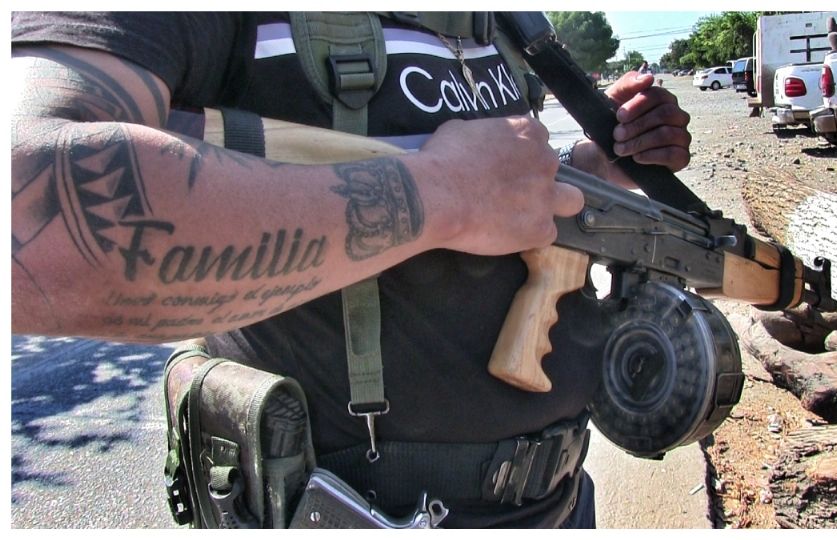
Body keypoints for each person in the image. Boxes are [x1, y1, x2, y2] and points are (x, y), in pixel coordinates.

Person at [11, 12, 692, 528]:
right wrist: (440, 194)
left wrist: (589, 172)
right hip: (353, 512)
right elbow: (25, 219)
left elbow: (491, 189)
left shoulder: (508, 24)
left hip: (560, 501)